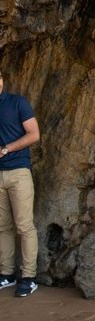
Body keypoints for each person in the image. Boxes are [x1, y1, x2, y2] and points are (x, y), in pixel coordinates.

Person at [0, 70, 40, 297]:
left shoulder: (17, 103)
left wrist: (6, 149)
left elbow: (34, 134)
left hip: (18, 172)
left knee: (24, 226)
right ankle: (6, 274)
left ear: (2, 81)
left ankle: (29, 277)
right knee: (2, 227)